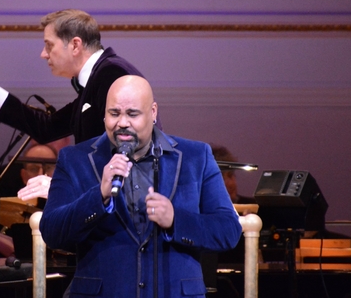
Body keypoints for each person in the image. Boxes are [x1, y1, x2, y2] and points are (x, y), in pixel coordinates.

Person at [39, 75, 241, 298]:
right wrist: (99, 197)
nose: (122, 122)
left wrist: (176, 220)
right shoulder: (75, 159)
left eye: (132, 114)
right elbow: (51, 231)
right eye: (114, 113)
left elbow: (228, 230)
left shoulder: (196, 157)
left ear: (153, 112)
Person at [0, 9, 148, 146]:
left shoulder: (113, 75)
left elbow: (127, 151)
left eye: (49, 46)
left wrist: (62, 186)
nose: (43, 54)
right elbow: (46, 128)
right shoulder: (98, 77)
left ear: (75, 45)